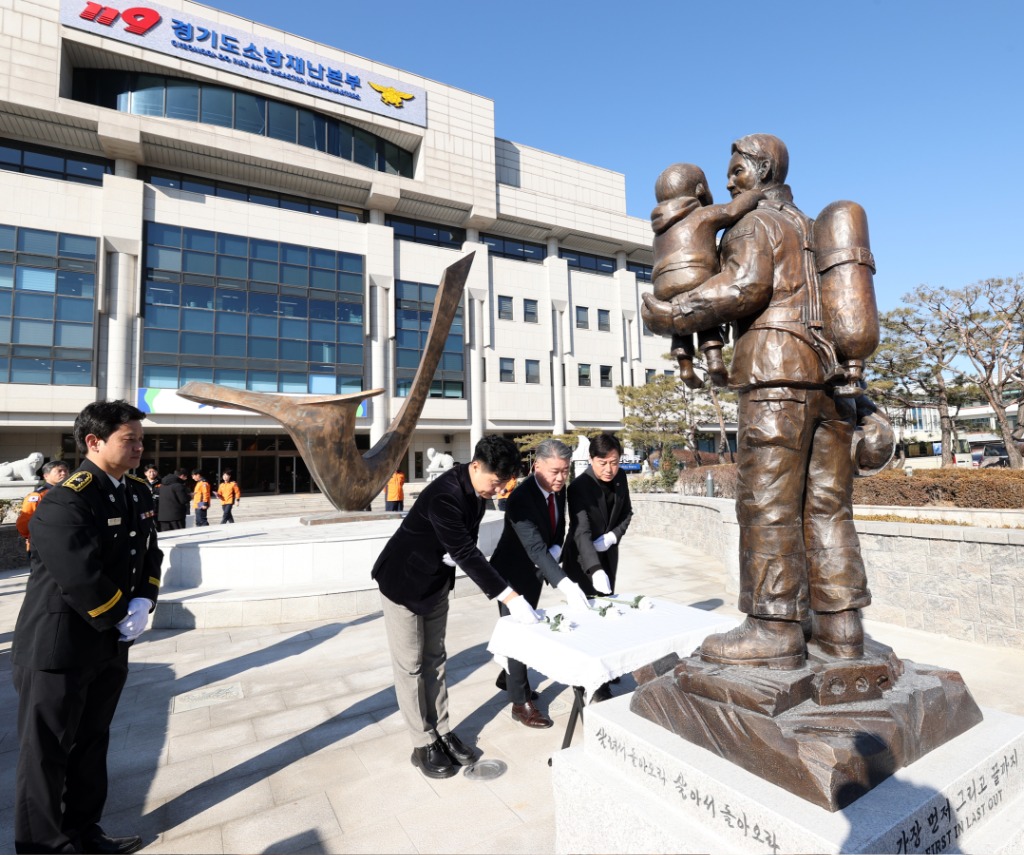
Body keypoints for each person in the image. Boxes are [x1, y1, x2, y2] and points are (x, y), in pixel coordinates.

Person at [642, 133, 872, 669]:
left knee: (766, 502)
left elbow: (743, 287)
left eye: (737, 170)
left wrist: (672, 317)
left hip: (776, 376)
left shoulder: (755, 223)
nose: (728, 180)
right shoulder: (812, 227)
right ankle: (841, 628)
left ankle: (773, 628)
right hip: (831, 381)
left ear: (762, 169)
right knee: (828, 507)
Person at [11, 400, 162, 855]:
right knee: (46, 754)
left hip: (108, 644)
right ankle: (42, 846)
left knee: (92, 743)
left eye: (140, 439)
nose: (138, 447)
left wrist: (144, 598)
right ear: (94, 442)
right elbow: (77, 572)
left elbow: (150, 552)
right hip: (59, 647)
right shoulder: (66, 498)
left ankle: (84, 833)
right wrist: (121, 612)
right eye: (128, 439)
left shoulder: (135, 490)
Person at [371, 436, 543, 780]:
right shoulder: (446, 493)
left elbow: (462, 544)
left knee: (435, 659)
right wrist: (511, 597)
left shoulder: (477, 492)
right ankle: (422, 743)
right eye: (495, 482)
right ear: (476, 465)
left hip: (435, 583)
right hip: (403, 584)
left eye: (502, 485)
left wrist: (449, 553)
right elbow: (466, 552)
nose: (497, 491)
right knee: (411, 666)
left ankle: (442, 731)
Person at [489, 439, 592, 728]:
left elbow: (559, 527)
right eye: (554, 471)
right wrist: (566, 584)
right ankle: (520, 703)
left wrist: (557, 548)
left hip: (536, 571)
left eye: (565, 471)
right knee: (519, 634)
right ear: (537, 466)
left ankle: (508, 676)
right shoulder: (521, 497)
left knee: (524, 633)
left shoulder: (558, 491)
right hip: (511, 573)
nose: (560, 478)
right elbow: (534, 548)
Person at [650, 162, 762, 388]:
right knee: (704, 315)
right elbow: (732, 210)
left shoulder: (659, 231)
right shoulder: (701, 214)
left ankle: (685, 367)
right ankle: (714, 362)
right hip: (696, 275)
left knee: (679, 326)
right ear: (700, 190)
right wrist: (756, 194)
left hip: (663, 285)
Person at [15, 459, 70, 553]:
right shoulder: (38, 495)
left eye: (66, 471)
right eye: (59, 471)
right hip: (43, 545)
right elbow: (24, 521)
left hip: (66, 543)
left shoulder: (70, 492)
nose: (64, 473)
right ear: (46, 476)